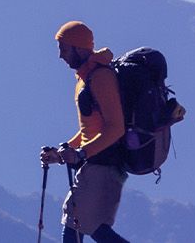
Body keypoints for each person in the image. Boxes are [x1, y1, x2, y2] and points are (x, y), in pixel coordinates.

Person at [39, 21, 132, 243]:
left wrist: (81, 154)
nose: (61, 56)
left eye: (64, 49)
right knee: (91, 227)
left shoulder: (101, 78)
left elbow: (116, 128)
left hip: (103, 165)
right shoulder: (86, 77)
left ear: (79, 48)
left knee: (74, 224)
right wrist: (63, 153)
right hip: (98, 164)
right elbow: (90, 130)